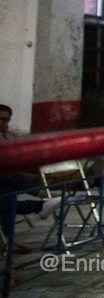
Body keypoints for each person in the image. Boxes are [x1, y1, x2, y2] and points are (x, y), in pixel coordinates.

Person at [0, 105, 69, 249]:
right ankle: (42, 197)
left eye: (5, 120)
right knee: (8, 181)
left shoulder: (10, 134)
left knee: (7, 195)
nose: (2, 123)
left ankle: (6, 240)